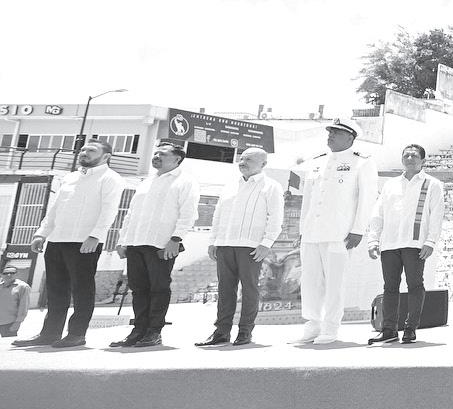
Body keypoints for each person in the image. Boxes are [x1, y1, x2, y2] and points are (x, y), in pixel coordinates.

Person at [13, 139, 125, 349]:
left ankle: (76, 334)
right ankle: (49, 333)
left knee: (82, 290)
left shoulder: (110, 178)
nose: (84, 152)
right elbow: (55, 209)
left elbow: (109, 210)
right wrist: (41, 234)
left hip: (84, 242)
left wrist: (95, 236)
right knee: (56, 289)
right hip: (57, 239)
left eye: (91, 150)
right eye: (83, 149)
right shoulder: (71, 177)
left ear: (106, 156)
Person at [295, 118, 379, 344]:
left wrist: (358, 229)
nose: (330, 135)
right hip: (312, 231)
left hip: (339, 233)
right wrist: (303, 229)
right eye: (330, 132)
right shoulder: (318, 162)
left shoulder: (362, 162)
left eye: (336, 132)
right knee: (310, 281)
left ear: (350, 137)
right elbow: (308, 200)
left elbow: (367, 198)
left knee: (334, 282)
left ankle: (330, 327)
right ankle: (312, 324)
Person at [112, 142, 200, 348]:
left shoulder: (185, 181)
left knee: (159, 288)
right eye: (156, 153)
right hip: (135, 242)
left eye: (162, 154)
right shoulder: (147, 181)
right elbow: (131, 214)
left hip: (162, 244)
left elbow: (188, 214)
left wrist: (176, 239)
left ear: (177, 159)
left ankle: (154, 332)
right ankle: (138, 331)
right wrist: (122, 241)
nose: (156, 156)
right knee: (138, 288)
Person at [197, 147, 284, 347]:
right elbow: (218, 215)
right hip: (225, 244)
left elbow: (275, 218)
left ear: (263, 164)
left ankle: (245, 331)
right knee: (225, 290)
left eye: (249, 159)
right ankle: (221, 332)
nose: (243, 162)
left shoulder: (271, 187)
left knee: (249, 289)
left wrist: (266, 243)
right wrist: (213, 241)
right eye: (242, 158)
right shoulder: (230, 186)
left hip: (251, 247)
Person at [366, 144, 445, 345]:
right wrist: (373, 239)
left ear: (423, 160)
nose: (410, 158)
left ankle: (410, 328)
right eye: (406, 155)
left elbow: (436, 215)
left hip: (415, 243)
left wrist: (430, 241)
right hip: (390, 243)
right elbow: (378, 213)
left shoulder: (432, 184)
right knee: (390, 287)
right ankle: (389, 329)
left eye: (414, 155)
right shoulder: (390, 184)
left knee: (415, 285)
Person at [1, 265, 30, 337]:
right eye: (5, 273)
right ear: (1, 274)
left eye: (12, 273)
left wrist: (17, 323)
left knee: (6, 343)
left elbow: (23, 306)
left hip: (9, 324)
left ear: (16, 274)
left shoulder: (23, 287)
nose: (9, 275)